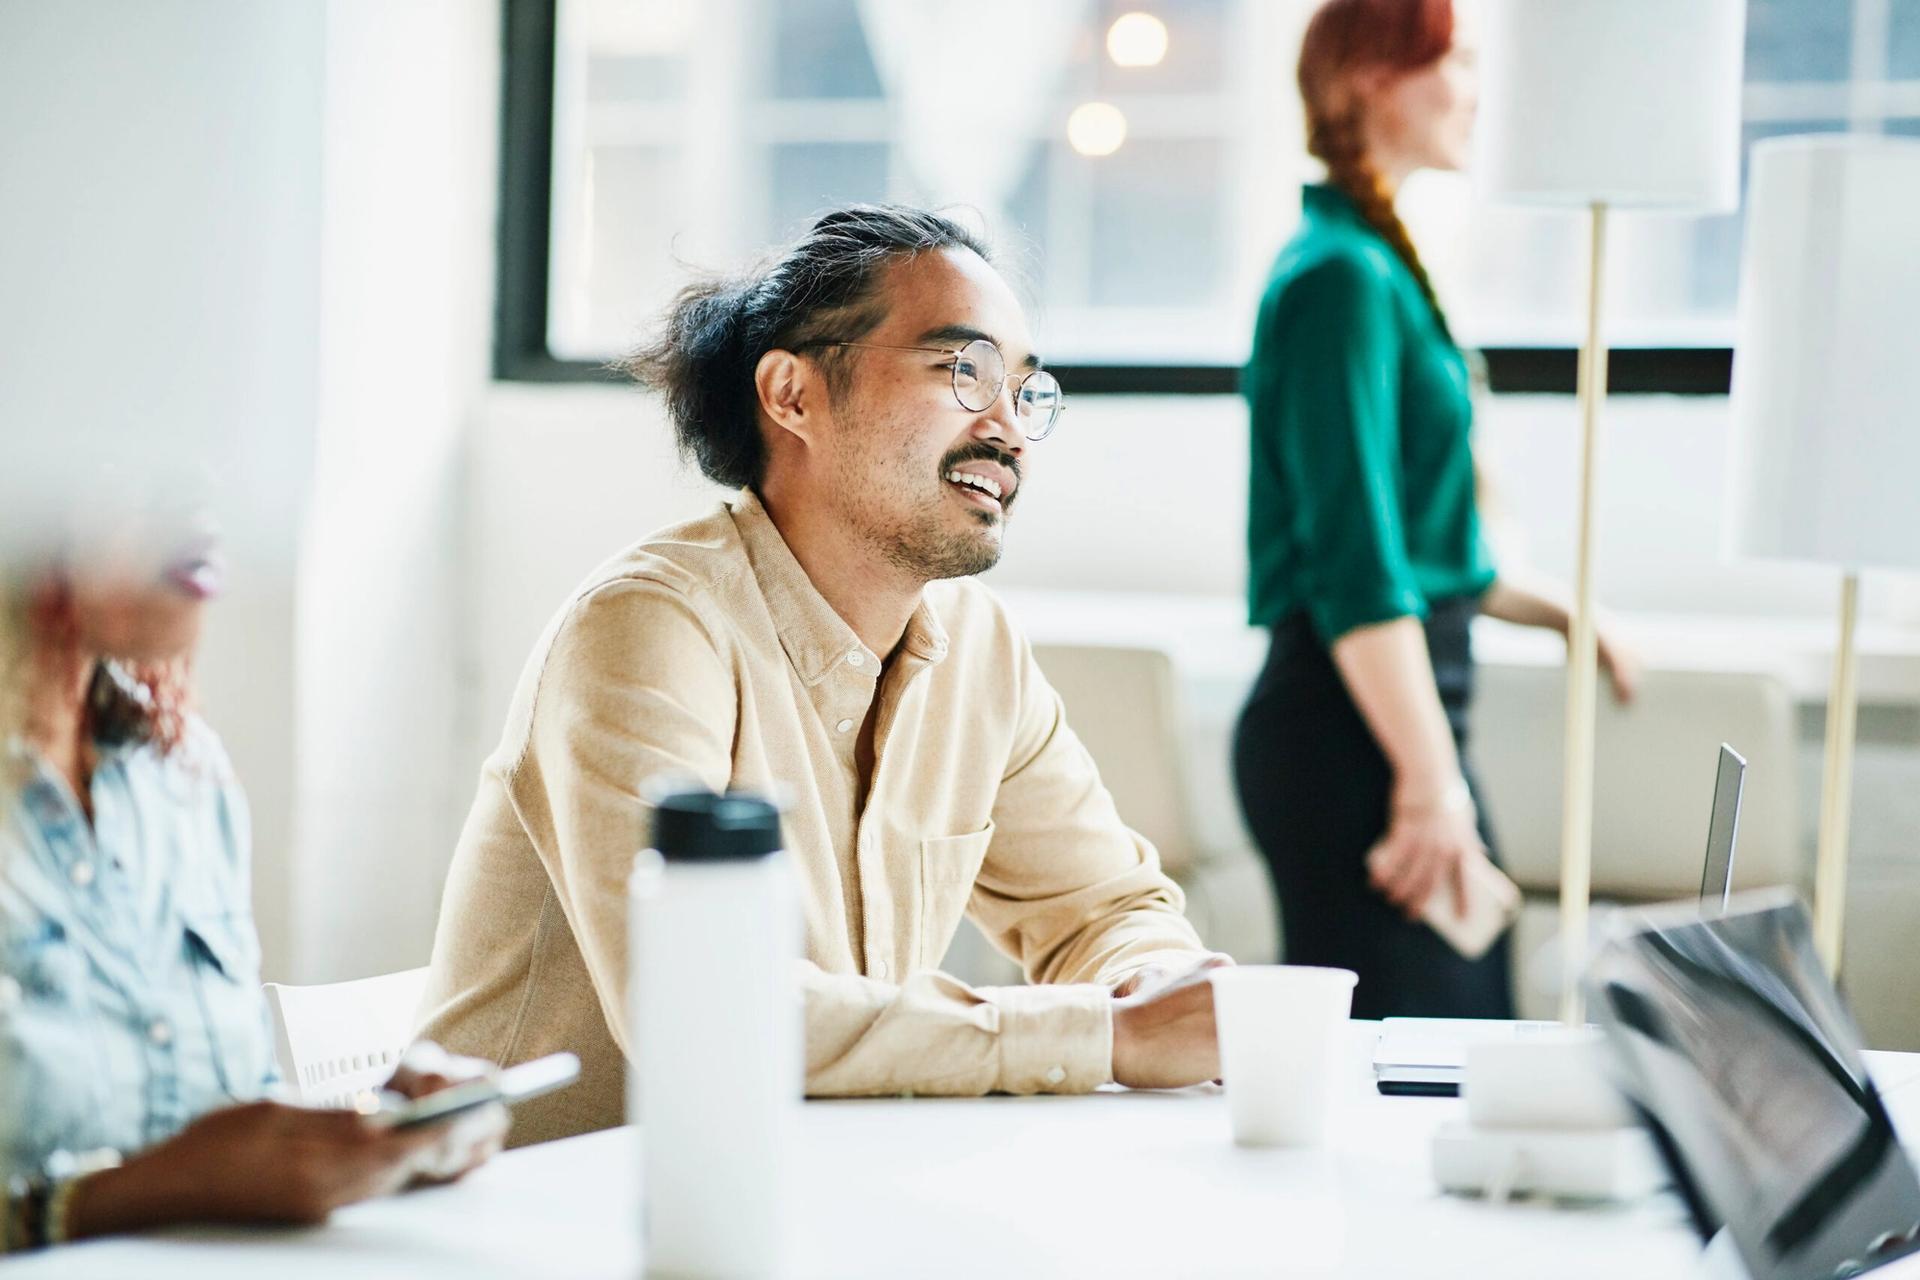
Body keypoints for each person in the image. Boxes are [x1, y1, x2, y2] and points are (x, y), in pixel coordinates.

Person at [420, 204, 1228, 1146]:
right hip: (555, 1230)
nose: (1009, 428)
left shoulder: (977, 648)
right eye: (964, 371)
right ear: (792, 395)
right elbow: (703, 1013)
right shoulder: (648, 627)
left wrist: (1158, 991)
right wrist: (1107, 1037)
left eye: (1027, 390)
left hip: (812, 1203)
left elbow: (1104, 908)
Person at [1232, 0, 1637, 1020]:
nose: (1475, 91)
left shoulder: (1368, 266)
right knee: (1422, 1071)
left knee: (1454, 1041)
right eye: (1453, 62)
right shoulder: (1338, 280)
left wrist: (1562, 613)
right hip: (1351, 736)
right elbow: (1357, 568)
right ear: (1371, 77)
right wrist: (1427, 782)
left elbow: (1417, 543)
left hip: (1392, 727)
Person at [0, 492, 504, 1252]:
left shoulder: (186, 776)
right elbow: (187, 1171)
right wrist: (145, 1191)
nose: (201, 498)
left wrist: (370, 1140)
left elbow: (215, 1129)